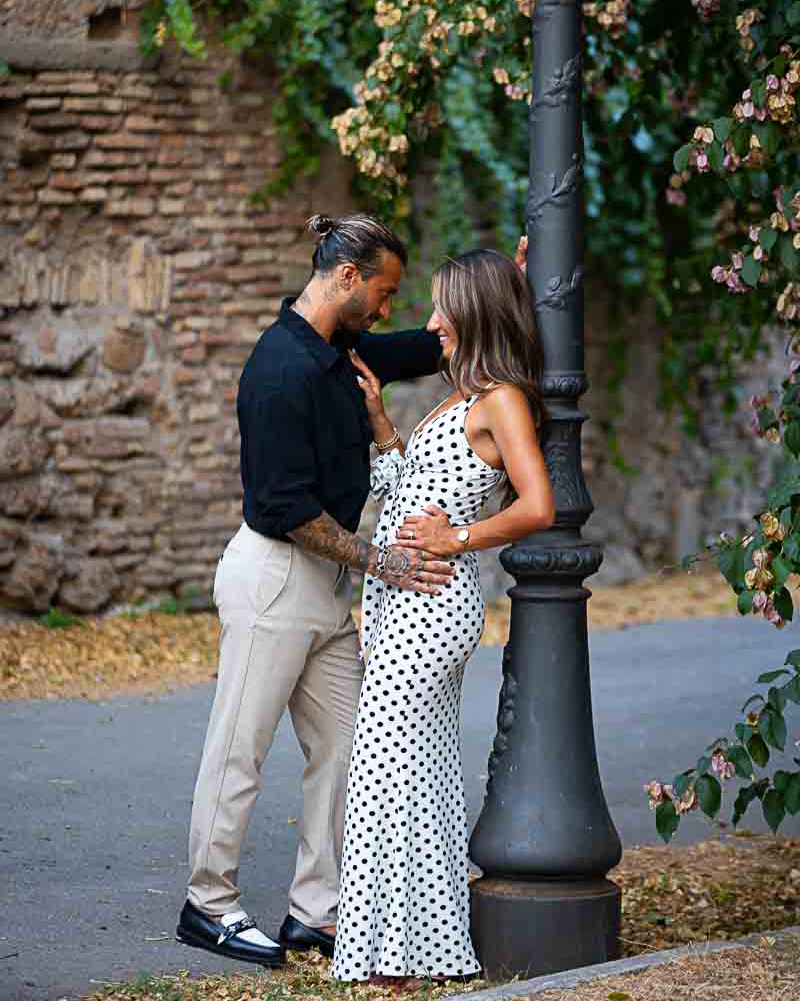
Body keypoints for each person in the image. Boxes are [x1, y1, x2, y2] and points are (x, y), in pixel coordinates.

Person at [176, 214, 454, 969]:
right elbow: (288, 509)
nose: (388, 307)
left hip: (329, 590)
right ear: (347, 277)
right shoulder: (280, 369)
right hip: (273, 577)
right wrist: (384, 563)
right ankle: (209, 904)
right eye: (385, 291)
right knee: (240, 748)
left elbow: (425, 349)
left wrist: (516, 287)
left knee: (346, 750)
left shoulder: (341, 347)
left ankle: (318, 910)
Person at [331, 248, 556, 987]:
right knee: (412, 773)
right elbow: (411, 490)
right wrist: (381, 427)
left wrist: (459, 537)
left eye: (442, 312)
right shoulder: (465, 394)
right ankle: (417, 951)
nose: (431, 324)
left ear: (475, 316)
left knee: (387, 773)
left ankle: (391, 958)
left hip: (433, 603)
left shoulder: (501, 401)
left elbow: (537, 505)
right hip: (403, 599)